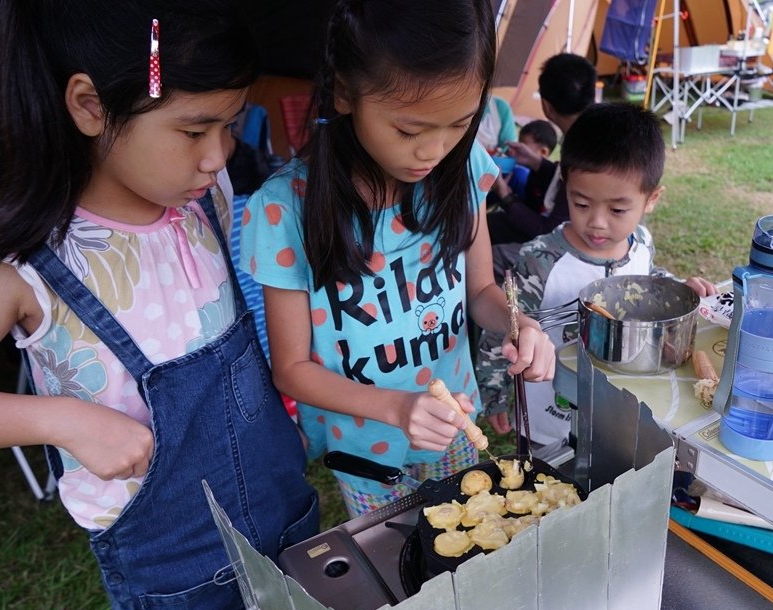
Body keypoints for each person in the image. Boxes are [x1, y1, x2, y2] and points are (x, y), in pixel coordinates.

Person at [0, 2, 319, 610]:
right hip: (173, 575)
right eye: (193, 129)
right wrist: (59, 418)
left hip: (284, 519)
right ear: (91, 105)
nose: (219, 155)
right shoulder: (11, 262)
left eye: (231, 123)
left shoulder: (203, 204)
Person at [239, 0, 556, 518]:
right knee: (396, 553)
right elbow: (292, 369)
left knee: (464, 534)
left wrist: (518, 324)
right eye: (409, 131)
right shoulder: (285, 210)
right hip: (366, 446)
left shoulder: (461, 167)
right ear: (345, 93)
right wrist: (397, 408)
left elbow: (480, 291)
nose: (433, 151)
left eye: (459, 123)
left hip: (453, 419)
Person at [477, 103, 717, 444]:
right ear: (565, 183)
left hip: (613, 408)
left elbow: (647, 280)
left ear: (651, 199)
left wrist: (677, 288)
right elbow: (502, 326)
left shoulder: (641, 243)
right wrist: (494, 390)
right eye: (582, 204)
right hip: (547, 409)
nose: (597, 222)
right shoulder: (541, 261)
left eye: (618, 209)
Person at [487, 52, 597, 255]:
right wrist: (537, 162)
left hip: (566, 252)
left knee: (485, 257)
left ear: (546, 106)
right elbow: (564, 181)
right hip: (567, 236)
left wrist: (504, 193)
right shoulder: (590, 132)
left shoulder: (584, 151)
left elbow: (550, 231)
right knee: (481, 227)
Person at [509, 119, 559, 211]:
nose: (517, 148)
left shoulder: (550, 181)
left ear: (543, 152)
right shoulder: (533, 172)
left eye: (523, 145)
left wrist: (505, 195)